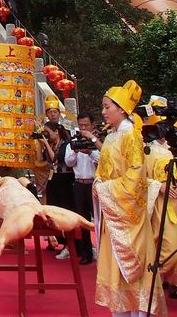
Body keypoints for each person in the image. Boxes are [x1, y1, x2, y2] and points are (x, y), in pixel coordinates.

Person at [92, 80, 165, 316]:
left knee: (134, 265)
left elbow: (135, 177)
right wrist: (99, 184)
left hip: (126, 213)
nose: (103, 112)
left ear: (122, 109)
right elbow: (103, 172)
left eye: (107, 107)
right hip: (113, 211)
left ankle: (139, 311)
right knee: (117, 268)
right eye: (103, 107)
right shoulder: (113, 137)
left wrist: (104, 189)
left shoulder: (131, 137)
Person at [142, 121, 177, 298]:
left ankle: (170, 284)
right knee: (163, 247)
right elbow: (136, 179)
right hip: (156, 205)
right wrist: (158, 186)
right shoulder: (144, 149)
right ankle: (149, 283)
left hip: (175, 204)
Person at [65, 111, 100, 264]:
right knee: (82, 219)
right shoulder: (74, 141)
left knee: (98, 219)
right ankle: (86, 252)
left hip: (94, 183)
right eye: (81, 125)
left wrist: (90, 152)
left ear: (92, 125)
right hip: (79, 183)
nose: (83, 128)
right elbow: (68, 162)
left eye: (86, 125)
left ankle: (102, 251)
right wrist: (76, 150)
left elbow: (103, 159)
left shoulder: (98, 141)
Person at [40, 121, 72, 254]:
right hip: (53, 179)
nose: (47, 135)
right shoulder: (51, 145)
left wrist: (46, 143)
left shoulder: (65, 145)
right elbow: (40, 160)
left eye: (48, 132)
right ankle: (60, 240)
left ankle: (69, 244)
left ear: (56, 131)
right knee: (53, 210)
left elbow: (55, 159)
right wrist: (39, 144)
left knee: (64, 209)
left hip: (65, 180)